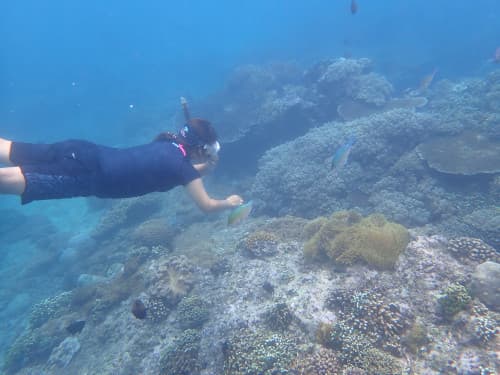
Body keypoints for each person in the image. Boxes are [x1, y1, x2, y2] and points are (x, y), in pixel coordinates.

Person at [0, 118, 243, 212]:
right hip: (84, 175)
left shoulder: (166, 141)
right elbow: (207, 205)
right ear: (201, 148)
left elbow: (181, 174)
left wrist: (207, 168)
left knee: (8, 147)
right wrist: (229, 203)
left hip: (80, 149)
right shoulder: (181, 168)